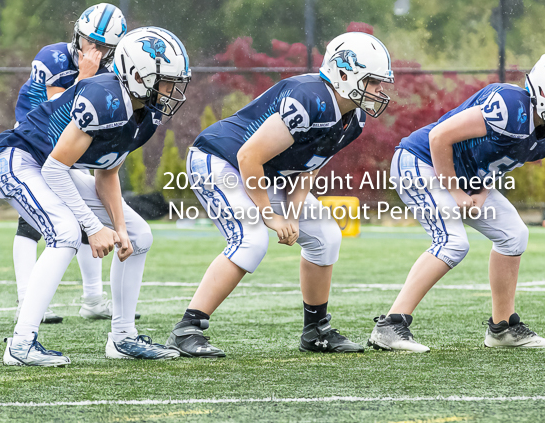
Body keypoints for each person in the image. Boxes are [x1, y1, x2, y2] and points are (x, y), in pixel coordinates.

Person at [166, 31, 394, 358]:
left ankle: (316, 330)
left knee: (326, 235)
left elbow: (308, 166)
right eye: (373, 81)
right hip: (220, 161)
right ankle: (187, 328)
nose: (379, 91)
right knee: (252, 239)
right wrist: (271, 215)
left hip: (267, 173)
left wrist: (293, 212)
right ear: (345, 74)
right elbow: (248, 156)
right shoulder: (308, 99)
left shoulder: (353, 118)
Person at [367, 51, 545, 352]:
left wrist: (480, 188)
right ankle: (390, 325)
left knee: (514, 234)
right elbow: (439, 137)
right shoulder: (511, 107)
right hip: (419, 161)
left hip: (463, 175)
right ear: (544, 92)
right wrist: (456, 191)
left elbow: (496, 161)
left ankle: (502, 329)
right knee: (452, 242)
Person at [0, 27, 191, 366]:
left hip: (52, 166)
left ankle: (123, 337)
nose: (171, 90)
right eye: (166, 81)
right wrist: (92, 226)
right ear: (138, 75)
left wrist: (119, 228)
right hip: (20, 159)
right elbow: (55, 168)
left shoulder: (147, 113)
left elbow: (107, 172)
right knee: (66, 232)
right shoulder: (103, 97)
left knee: (140, 234)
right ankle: (21, 344)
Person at [11, 3, 127, 323]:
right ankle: (26, 299)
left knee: (84, 216)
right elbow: (58, 112)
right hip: (34, 139)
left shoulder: (109, 71)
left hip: (68, 143)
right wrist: (85, 77)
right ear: (77, 35)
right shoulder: (54, 58)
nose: (92, 50)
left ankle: (92, 297)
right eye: (89, 41)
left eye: (102, 47)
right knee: (31, 223)